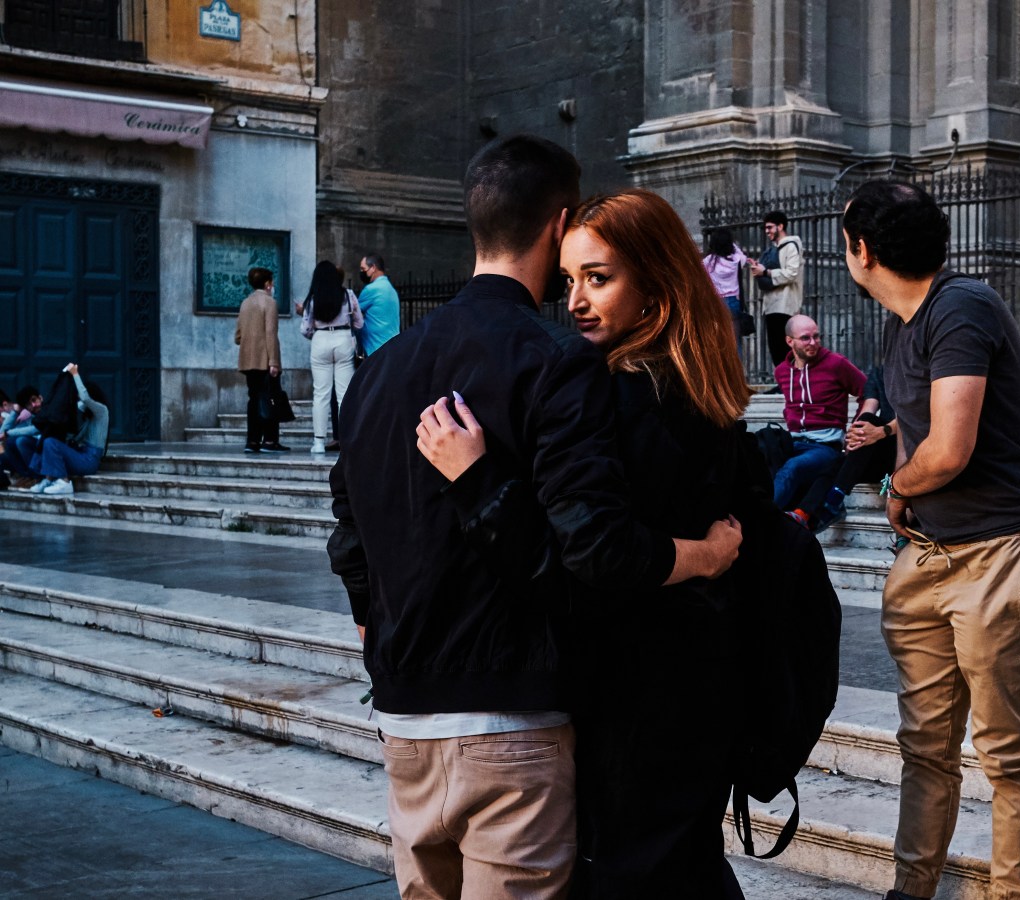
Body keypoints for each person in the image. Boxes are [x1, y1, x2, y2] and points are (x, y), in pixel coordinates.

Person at [326, 136, 741, 900]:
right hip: (512, 720)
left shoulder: (377, 372)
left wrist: (379, 631)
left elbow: (349, 538)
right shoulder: (557, 362)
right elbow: (596, 551)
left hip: (405, 720)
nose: (578, 293)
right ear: (557, 225)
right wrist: (705, 557)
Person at [418, 187, 761, 900]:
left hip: (637, 694)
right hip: (689, 684)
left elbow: (597, 556)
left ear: (657, 288)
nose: (574, 300)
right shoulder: (700, 394)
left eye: (598, 279)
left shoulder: (625, 398)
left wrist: (478, 480)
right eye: (569, 279)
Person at [843, 180, 1020, 900]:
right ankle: (911, 891)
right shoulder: (903, 320)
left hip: (1001, 555)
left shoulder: (961, 307)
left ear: (862, 251)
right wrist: (896, 466)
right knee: (925, 747)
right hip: (933, 556)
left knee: (1007, 752)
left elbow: (951, 448)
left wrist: (896, 487)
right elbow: (918, 420)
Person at [771, 314, 866, 519]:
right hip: (793, 443)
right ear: (790, 341)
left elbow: (868, 390)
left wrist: (857, 426)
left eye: (817, 336)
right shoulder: (781, 371)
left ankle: (761, 522)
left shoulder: (836, 364)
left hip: (825, 446)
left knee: (793, 467)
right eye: (805, 338)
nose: (813, 343)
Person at [806, 365, 898, 533]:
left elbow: (915, 415)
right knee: (837, 460)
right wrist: (855, 435)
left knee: (870, 424)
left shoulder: (918, 368)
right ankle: (805, 512)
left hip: (904, 451)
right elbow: (868, 407)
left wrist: (881, 431)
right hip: (879, 454)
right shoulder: (879, 372)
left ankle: (833, 499)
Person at [299, 260, 363, 455]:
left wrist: (317, 333)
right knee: (344, 393)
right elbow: (359, 322)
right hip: (343, 340)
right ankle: (347, 439)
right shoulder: (347, 295)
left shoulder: (312, 298)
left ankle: (318, 442)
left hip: (320, 341)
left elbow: (305, 328)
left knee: (321, 394)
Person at [27, 363, 109, 496]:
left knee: (51, 443)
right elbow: (64, 409)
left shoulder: (102, 411)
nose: (79, 400)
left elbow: (85, 398)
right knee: (49, 438)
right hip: (82, 454)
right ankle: (49, 478)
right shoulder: (87, 415)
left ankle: (64, 482)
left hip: (90, 460)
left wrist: (74, 374)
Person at [235, 267, 288, 454]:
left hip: (247, 360)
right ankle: (270, 440)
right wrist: (274, 361)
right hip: (265, 358)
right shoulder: (269, 303)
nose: (272, 286)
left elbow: (238, 336)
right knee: (270, 398)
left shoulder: (245, 303)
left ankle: (252, 441)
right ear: (267, 284)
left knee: (254, 400)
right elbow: (270, 333)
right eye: (272, 282)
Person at [748, 210, 803, 365]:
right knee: (775, 349)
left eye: (770, 227)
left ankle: (790, 382)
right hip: (771, 305)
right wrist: (759, 268)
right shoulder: (773, 249)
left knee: (785, 349)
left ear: (780, 226)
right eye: (766, 228)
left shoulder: (791, 246)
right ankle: (783, 382)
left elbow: (792, 273)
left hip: (786, 304)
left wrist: (765, 271)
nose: (767, 231)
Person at [702, 227, 750, 347]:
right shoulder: (735, 260)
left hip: (716, 301)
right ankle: (737, 365)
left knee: (717, 340)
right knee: (735, 341)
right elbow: (742, 255)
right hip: (733, 301)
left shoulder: (708, 262)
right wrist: (731, 244)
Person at [356, 253, 400, 355]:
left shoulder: (371, 289)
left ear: (373, 268)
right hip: (392, 345)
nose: (361, 272)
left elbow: (355, 312)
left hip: (375, 348)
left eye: (363, 269)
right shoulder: (390, 288)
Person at [0, 385, 43, 488]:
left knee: (21, 441)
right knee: (9, 442)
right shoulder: (27, 413)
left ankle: (37, 476)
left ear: (40, 397)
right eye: (28, 404)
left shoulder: (47, 409)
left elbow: (35, 429)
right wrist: (15, 412)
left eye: (34, 400)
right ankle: (27, 476)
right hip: (34, 451)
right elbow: (2, 433)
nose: (34, 405)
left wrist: (9, 433)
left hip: (47, 450)